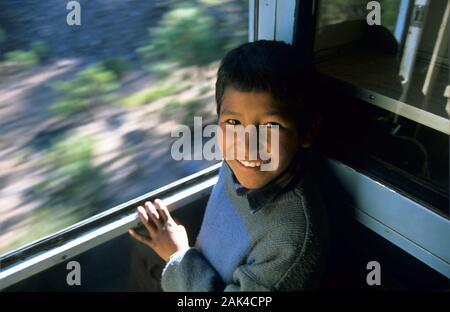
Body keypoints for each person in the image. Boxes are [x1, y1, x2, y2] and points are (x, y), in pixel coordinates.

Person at [128, 40, 329, 291]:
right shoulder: (237, 164)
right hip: (201, 270)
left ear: (307, 131)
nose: (246, 146)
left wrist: (178, 254)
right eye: (233, 123)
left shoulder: (292, 242)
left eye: (271, 127)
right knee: (142, 250)